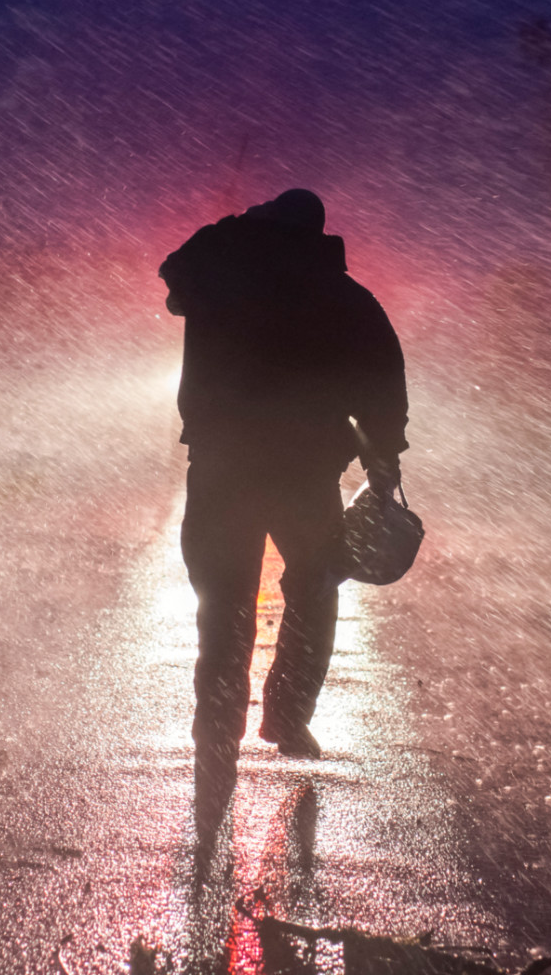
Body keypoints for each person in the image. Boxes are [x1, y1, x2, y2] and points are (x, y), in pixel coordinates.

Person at [159, 188, 408, 819]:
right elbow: (383, 382)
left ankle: (217, 737)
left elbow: (175, 275)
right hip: (306, 475)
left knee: (224, 605)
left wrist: (238, 223)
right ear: (318, 235)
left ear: (263, 223)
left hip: (222, 471)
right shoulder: (344, 298)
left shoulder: (219, 280)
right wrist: (384, 460)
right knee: (314, 592)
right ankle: (289, 718)